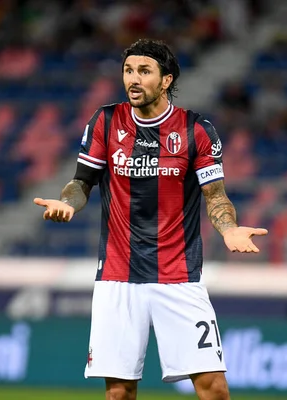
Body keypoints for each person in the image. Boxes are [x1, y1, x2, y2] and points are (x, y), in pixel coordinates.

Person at [33, 39, 268, 400]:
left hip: (179, 277)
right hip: (118, 277)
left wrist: (229, 228)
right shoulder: (106, 121)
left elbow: (216, 196)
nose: (133, 79)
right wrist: (68, 203)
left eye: (144, 71)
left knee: (214, 389)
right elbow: (81, 183)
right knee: (119, 394)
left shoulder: (196, 130)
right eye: (128, 70)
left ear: (166, 80)